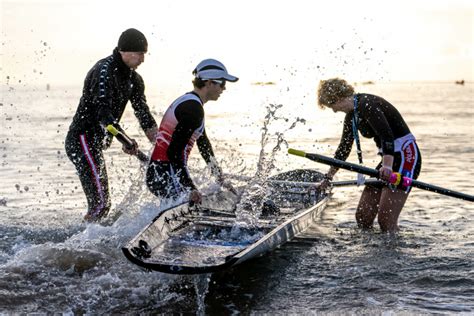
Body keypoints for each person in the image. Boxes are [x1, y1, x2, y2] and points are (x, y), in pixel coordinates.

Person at [65, 28, 158, 222]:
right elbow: (103, 116)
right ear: (125, 51)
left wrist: (161, 146)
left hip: (95, 144)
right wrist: (124, 139)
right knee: (101, 205)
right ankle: (79, 246)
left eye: (144, 54)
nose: (143, 59)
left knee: (103, 205)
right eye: (140, 54)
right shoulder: (104, 71)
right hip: (81, 139)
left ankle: (89, 241)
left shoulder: (134, 79)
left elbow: (144, 115)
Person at [317, 78, 421, 232]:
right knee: (363, 217)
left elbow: (387, 136)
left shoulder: (368, 104)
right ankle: (373, 251)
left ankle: (394, 252)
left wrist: (386, 166)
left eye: (332, 106)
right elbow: (343, 149)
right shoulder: (351, 117)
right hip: (390, 159)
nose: (334, 110)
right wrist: (328, 178)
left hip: (406, 157)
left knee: (385, 221)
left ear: (338, 98)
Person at [147, 58, 237, 204]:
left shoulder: (191, 102)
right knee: (192, 203)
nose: (224, 89)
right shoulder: (193, 109)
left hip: (161, 172)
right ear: (209, 83)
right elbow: (174, 153)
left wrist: (220, 178)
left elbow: (204, 145)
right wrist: (190, 188)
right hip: (165, 173)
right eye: (222, 83)